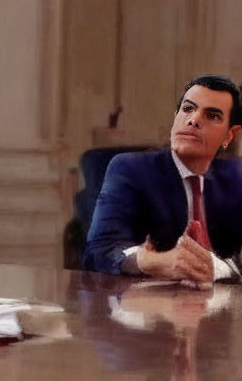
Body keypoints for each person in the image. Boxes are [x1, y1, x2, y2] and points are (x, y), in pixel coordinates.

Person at [83, 75, 242, 285]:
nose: (193, 120)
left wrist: (215, 268)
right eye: (187, 109)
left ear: (229, 135)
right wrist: (146, 261)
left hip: (220, 309)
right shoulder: (130, 169)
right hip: (144, 308)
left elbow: (236, 264)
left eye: (212, 116)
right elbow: (98, 253)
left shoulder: (234, 177)